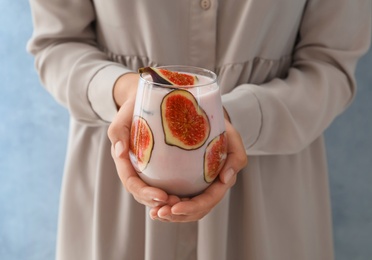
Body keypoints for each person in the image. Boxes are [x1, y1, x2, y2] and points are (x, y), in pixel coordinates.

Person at [27, 0, 371, 259]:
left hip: (268, 194)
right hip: (119, 182)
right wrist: (128, 92)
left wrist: (232, 118)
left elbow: (330, 66)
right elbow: (57, 45)